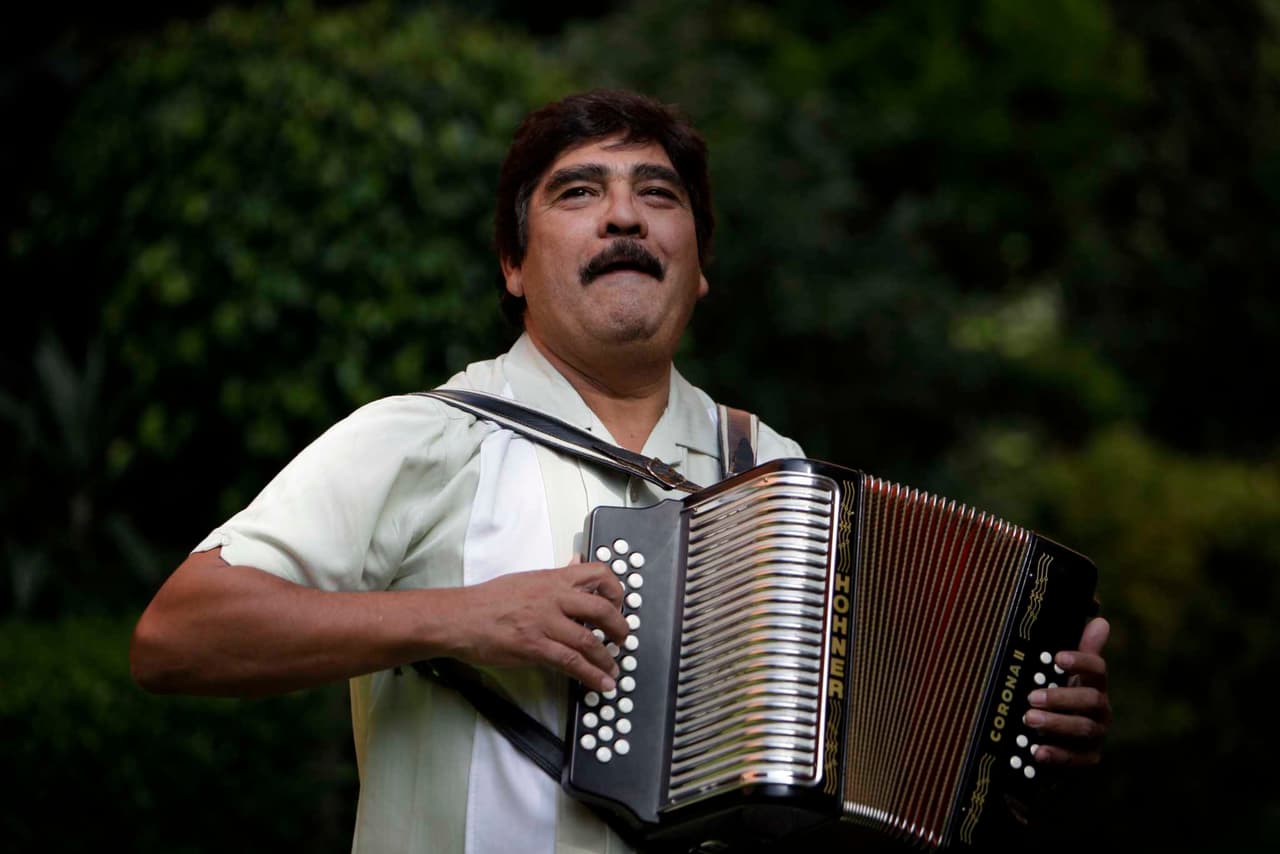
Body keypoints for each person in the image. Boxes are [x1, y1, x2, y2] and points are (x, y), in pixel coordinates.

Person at [130, 89, 1112, 854]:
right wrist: (458, 616)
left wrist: (1017, 726)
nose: (623, 218)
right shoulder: (419, 439)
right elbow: (176, 633)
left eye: (657, 194)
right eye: (578, 191)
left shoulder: (778, 473)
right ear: (513, 263)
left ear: (698, 264)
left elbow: (868, 769)